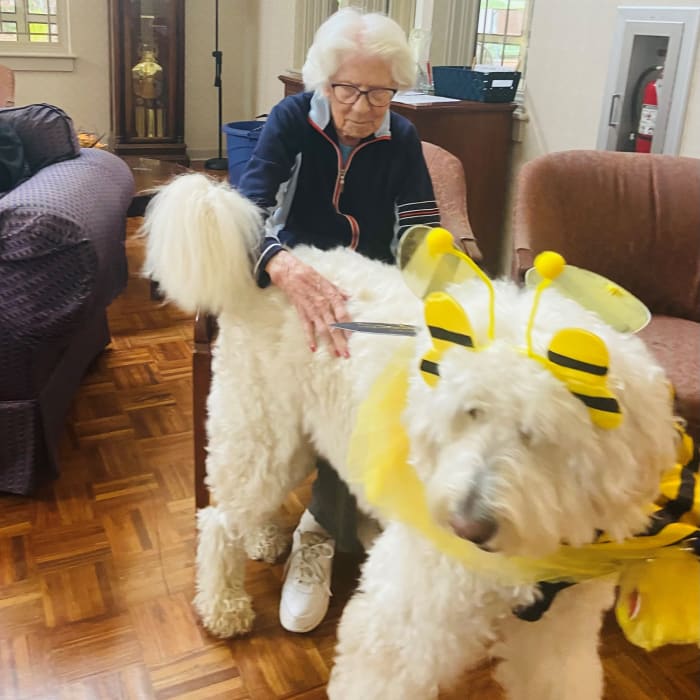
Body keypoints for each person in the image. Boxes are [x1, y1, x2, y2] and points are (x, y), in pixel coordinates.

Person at [237, 8, 440, 633]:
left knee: (408, 371)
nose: (364, 104)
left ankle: (353, 508)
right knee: (339, 370)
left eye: (380, 90)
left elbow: (421, 224)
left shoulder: (400, 136)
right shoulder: (291, 122)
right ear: (324, 82)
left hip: (371, 289)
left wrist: (440, 281)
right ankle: (322, 530)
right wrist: (283, 265)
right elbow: (247, 211)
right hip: (293, 278)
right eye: (349, 88)